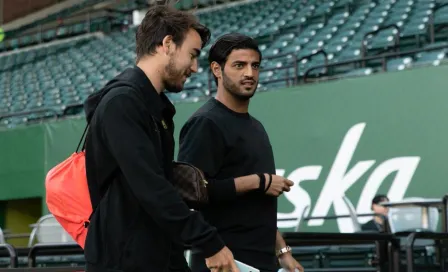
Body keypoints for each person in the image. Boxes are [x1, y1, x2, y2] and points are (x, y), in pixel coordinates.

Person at [82, 6, 239, 272]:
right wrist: (207, 241)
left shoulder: (154, 108)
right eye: (192, 55)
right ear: (167, 44)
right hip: (124, 260)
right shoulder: (122, 104)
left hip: (158, 253)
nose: (194, 67)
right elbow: (150, 186)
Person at [178, 33, 304, 272]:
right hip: (223, 262)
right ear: (217, 69)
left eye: (255, 66)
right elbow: (190, 195)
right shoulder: (205, 123)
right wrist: (258, 181)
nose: (249, 73)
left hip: (262, 260)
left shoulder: (255, 126)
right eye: (239, 65)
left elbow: (259, 205)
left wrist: (282, 251)